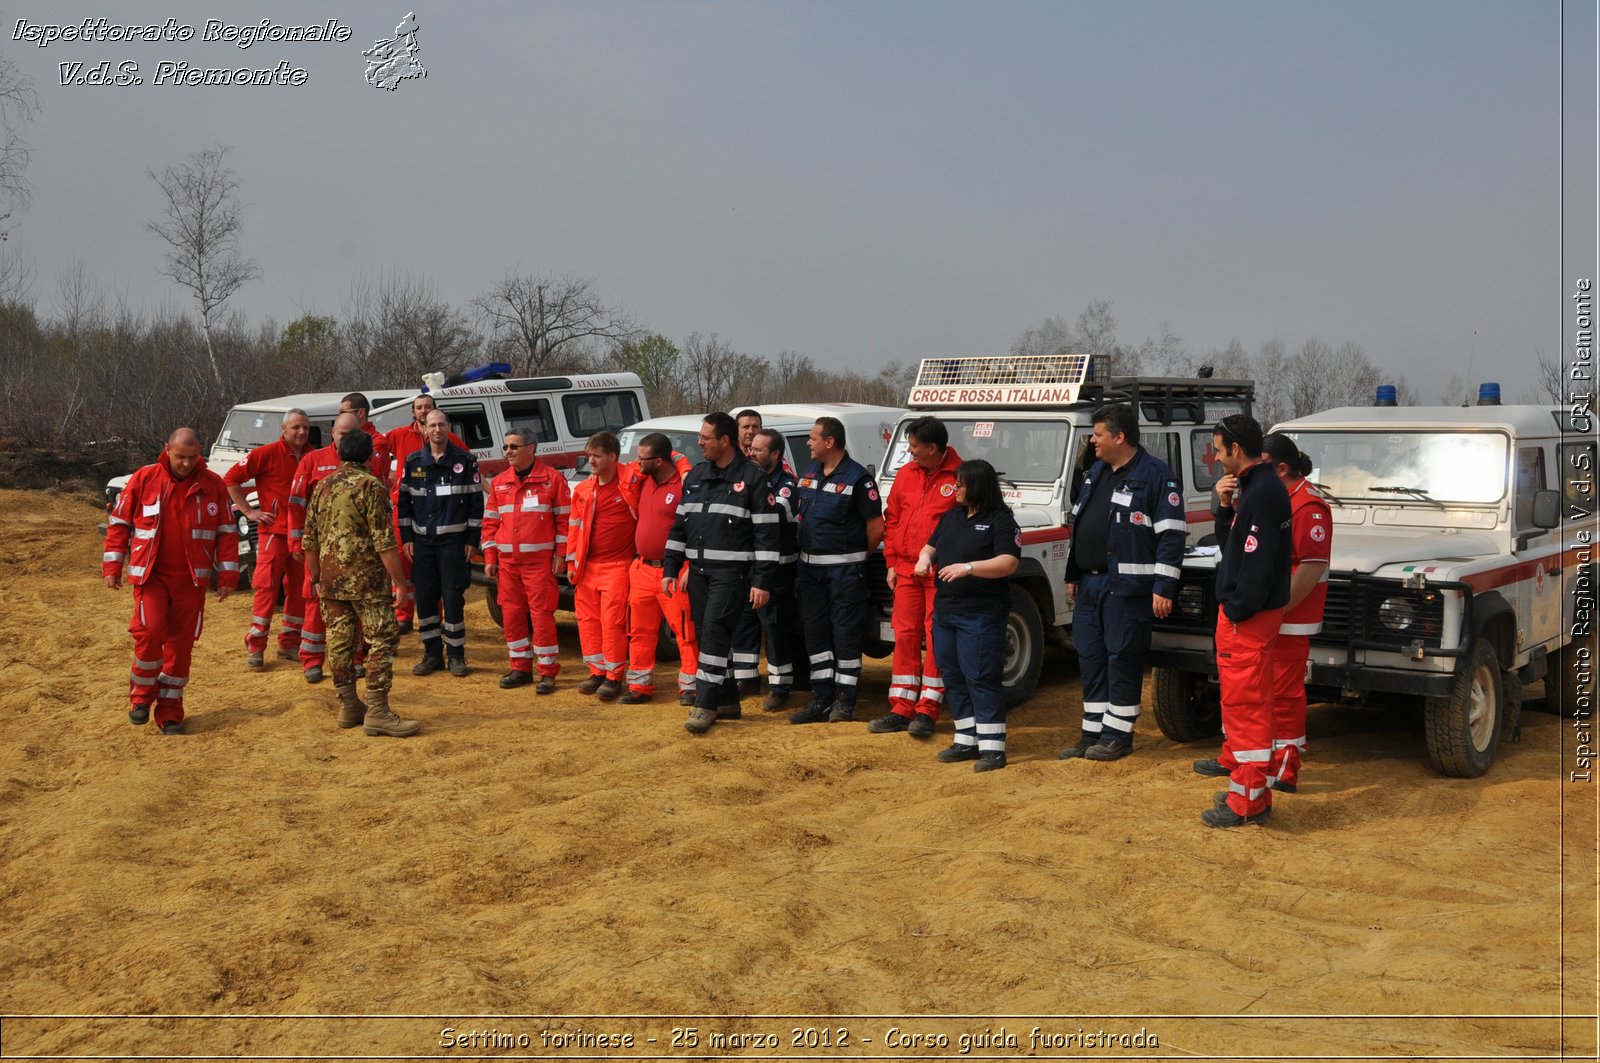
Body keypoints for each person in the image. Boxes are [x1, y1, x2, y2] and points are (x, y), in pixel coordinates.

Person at [1195, 430, 1329, 801]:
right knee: (1252, 694)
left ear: (1278, 467)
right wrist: (1224, 507)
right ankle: (1243, 758)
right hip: (1265, 610)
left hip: (1285, 613)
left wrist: (1271, 609)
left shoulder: (1305, 504)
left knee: (1280, 694)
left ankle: (1283, 766)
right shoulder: (1266, 495)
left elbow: (1311, 566)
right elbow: (1237, 548)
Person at [1057, 403, 1185, 762]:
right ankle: (1092, 733)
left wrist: (1163, 587)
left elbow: (1172, 536)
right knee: (1091, 658)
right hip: (1090, 586)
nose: (1092, 441)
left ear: (1119, 436)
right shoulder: (1097, 471)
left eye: (1098, 434)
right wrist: (1072, 574)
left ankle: (1118, 735)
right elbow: (1080, 524)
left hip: (1128, 589)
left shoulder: (1157, 476)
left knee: (1122, 659)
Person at [103, 428, 239, 734]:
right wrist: (112, 566)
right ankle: (140, 698)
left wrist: (229, 574)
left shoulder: (213, 485)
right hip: (151, 577)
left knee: (180, 648)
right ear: (167, 449)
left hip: (191, 582)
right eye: (180, 457)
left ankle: (170, 712)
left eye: (193, 457)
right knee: (149, 633)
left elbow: (227, 533)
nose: (187, 463)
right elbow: (120, 524)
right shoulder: (144, 479)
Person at [1197, 414, 1292, 828]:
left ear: (1236, 449)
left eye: (1219, 451)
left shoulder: (1262, 493)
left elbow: (1256, 567)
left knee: (1247, 708)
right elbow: (1233, 548)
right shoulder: (1256, 489)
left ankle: (1247, 802)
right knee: (1246, 706)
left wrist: (1235, 609)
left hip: (1247, 619)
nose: (1216, 460)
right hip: (1248, 616)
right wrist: (1223, 508)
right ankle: (1251, 790)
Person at [663, 412, 779, 734]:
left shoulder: (753, 479)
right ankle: (727, 700)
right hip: (699, 573)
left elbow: (767, 536)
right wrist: (671, 567)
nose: (699, 443)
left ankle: (706, 703)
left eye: (705, 438)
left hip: (732, 575)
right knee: (706, 636)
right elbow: (679, 526)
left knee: (714, 633)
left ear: (724, 441)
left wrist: (762, 581)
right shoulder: (697, 476)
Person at [302, 428, 419, 737]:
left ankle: (349, 704)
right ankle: (377, 710)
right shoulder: (372, 487)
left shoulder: (323, 486)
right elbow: (384, 542)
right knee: (382, 639)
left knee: (339, 640)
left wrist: (316, 577)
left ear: (339, 453)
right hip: (366, 580)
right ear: (371, 456)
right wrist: (401, 583)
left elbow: (309, 539)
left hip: (330, 579)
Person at [916, 460, 1021, 771]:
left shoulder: (1001, 521)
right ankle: (966, 739)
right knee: (953, 674)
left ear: (978, 486)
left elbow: (1008, 562)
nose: (955, 489)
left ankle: (992, 749)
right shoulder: (952, 517)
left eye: (961, 484)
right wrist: (924, 559)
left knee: (981, 677)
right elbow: (930, 546)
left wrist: (969, 567)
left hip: (981, 613)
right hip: (947, 611)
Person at [869, 415, 961, 738]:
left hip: (940, 573)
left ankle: (927, 709)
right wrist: (892, 562)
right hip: (906, 570)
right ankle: (901, 707)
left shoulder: (960, 476)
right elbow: (892, 518)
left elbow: (965, 525)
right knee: (904, 634)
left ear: (933, 448)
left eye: (914, 447)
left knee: (936, 638)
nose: (909, 453)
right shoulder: (906, 475)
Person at [788, 416, 884, 725]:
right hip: (811, 574)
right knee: (816, 636)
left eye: (813, 438)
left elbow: (876, 527)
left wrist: (856, 556)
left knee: (845, 637)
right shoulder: (811, 472)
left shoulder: (858, 479)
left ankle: (845, 700)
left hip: (845, 574)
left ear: (830, 442)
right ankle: (821, 698)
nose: (808, 442)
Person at [287, 413, 387, 684]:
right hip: (321, 550)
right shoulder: (313, 460)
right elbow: (297, 505)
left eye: (351, 434)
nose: (345, 439)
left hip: (356, 554)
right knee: (314, 602)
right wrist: (296, 541)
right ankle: (311, 659)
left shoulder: (368, 466)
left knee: (353, 608)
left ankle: (353, 661)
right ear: (332, 432)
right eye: (341, 434)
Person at [481, 430, 570, 693]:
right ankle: (519, 668)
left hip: (539, 565)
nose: (507, 451)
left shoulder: (552, 480)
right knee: (511, 616)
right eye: (505, 446)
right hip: (507, 565)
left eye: (514, 446)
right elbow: (490, 523)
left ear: (531, 448)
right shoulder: (499, 482)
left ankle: (547, 672)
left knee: (541, 616)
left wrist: (560, 554)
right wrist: (490, 557)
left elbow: (565, 521)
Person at [224, 408, 312, 670]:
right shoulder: (266, 453)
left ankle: (289, 644)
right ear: (283, 429)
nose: (301, 432)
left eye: (305, 428)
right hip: (273, 533)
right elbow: (231, 479)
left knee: (299, 591)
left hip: (303, 535)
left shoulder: (312, 455)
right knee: (266, 589)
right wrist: (249, 511)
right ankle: (256, 645)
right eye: (296, 427)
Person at [399, 408, 483, 677]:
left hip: (454, 545)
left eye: (441, 425)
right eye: (431, 425)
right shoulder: (413, 462)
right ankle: (432, 653)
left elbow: (475, 505)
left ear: (449, 428)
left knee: (453, 598)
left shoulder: (466, 461)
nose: (437, 430)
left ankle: (456, 656)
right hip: (422, 545)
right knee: (424, 599)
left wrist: (472, 540)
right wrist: (407, 539)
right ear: (423, 429)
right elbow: (403, 506)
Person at [624, 433, 700, 705]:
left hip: (675, 571)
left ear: (659, 460)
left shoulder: (684, 486)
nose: (636, 463)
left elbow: (695, 531)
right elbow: (627, 476)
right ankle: (639, 686)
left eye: (642, 458)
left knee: (685, 632)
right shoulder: (643, 481)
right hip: (642, 569)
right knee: (640, 631)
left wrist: (690, 566)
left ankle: (690, 686)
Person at [384, 393, 467, 633]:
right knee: (401, 563)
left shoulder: (449, 438)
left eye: (427, 407)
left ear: (435, 409)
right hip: (405, 508)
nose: (423, 411)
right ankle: (403, 616)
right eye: (419, 408)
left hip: (437, 511)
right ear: (413, 412)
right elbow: (376, 451)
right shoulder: (399, 435)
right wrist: (386, 477)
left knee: (433, 568)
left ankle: (435, 617)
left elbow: (469, 463)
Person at [731, 428, 800, 711]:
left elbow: (772, 516)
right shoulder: (748, 479)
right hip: (748, 568)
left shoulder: (787, 484)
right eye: (750, 448)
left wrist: (744, 510)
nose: (751, 453)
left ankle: (780, 686)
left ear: (775, 454)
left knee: (775, 629)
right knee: (744, 624)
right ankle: (747, 679)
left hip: (777, 571)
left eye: (758, 449)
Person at [567, 431, 638, 701]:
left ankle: (614, 675)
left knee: (613, 622)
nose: (591, 461)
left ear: (612, 456)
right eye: (589, 456)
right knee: (587, 621)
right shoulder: (584, 488)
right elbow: (574, 527)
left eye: (596, 456)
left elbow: (668, 458)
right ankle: (596, 670)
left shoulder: (629, 482)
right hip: (587, 566)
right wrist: (572, 560)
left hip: (617, 566)